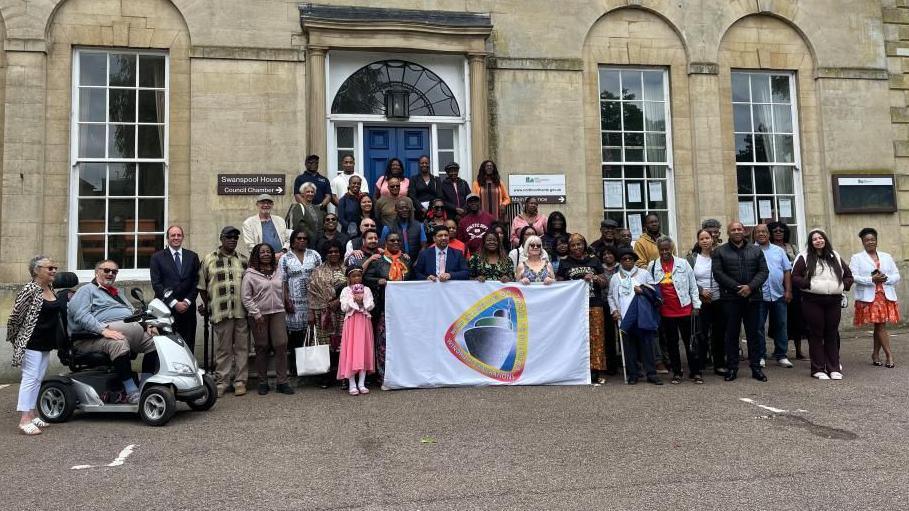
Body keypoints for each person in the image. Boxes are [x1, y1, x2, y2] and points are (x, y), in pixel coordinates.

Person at [68, 260, 158, 404]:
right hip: (91, 338)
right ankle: (131, 391)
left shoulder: (117, 293)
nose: (111, 274)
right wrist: (103, 330)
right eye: (106, 270)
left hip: (118, 333)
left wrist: (146, 324)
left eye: (114, 272)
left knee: (155, 342)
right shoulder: (86, 290)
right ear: (97, 272)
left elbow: (131, 313)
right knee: (118, 343)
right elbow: (81, 316)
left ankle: (146, 387)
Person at [7, 256, 63, 435]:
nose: (54, 270)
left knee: (38, 377)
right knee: (30, 377)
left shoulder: (50, 287)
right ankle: (24, 419)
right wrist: (17, 340)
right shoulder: (29, 289)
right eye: (50, 268)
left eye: (55, 267)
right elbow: (15, 317)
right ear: (37, 270)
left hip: (46, 341)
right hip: (31, 340)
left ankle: (31, 413)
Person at [792, 229, 853, 380]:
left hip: (833, 300)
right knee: (816, 334)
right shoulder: (803, 256)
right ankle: (818, 369)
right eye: (814, 239)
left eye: (821, 238)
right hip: (812, 300)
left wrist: (842, 286)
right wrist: (809, 284)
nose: (818, 241)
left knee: (831, 333)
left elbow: (849, 275)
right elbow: (795, 277)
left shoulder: (835, 255)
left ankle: (833, 368)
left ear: (825, 239)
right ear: (811, 242)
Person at [712, 221, 769, 382]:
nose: (737, 231)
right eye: (733, 230)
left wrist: (750, 287)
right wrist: (738, 288)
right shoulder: (719, 251)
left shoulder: (756, 250)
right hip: (730, 299)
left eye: (739, 229)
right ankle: (732, 368)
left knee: (754, 335)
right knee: (731, 335)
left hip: (753, 298)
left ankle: (756, 368)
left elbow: (764, 271)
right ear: (728, 233)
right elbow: (718, 273)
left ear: (744, 231)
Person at [198, 226, 250, 397]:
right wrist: (210, 306)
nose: (233, 240)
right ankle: (222, 382)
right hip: (220, 312)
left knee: (242, 348)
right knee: (223, 349)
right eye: (229, 237)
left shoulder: (243, 260)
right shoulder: (209, 260)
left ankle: (240, 381)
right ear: (221, 238)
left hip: (240, 311)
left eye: (235, 237)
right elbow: (202, 287)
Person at [647, 236, 702, 384]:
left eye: (667, 249)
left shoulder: (683, 264)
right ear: (658, 250)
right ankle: (677, 372)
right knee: (672, 343)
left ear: (672, 249)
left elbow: (693, 286)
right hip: (666, 312)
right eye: (661, 249)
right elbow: (650, 287)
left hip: (685, 309)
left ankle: (695, 372)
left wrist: (696, 305)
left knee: (690, 342)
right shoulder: (652, 266)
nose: (665, 252)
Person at [242, 244, 293, 395]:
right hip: (259, 314)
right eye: (262, 252)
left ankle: (282, 382)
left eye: (268, 252)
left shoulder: (278, 271)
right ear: (257, 255)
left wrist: (285, 302)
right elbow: (246, 297)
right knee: (262, 346)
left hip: (277, 311)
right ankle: (263, 382)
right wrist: (255, 313)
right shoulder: (250, 274)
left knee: (281, 344)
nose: (265, 254)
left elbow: (283, 288)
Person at [557, 234, 608, 384]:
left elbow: (604, 282)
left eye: (579, 244)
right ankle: (576, 369)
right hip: (573, 308)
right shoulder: (565, 263)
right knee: (575, 337)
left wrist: (595, 278)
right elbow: (559, 284)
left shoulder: (594, 261)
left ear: (584, 245)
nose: (576, 247)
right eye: (573, 245)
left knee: (596, 337)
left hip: (594, 303)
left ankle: (595, 371)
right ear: (569, 247)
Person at [363, 233, 412, 383]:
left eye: (398, 240)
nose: (396, 242)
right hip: (385, 307)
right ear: (386, 243)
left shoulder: (406, 260)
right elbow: (366, 279)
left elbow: (413, 279)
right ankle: (383, 374)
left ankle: (404, 371)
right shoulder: (378, 260)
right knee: (384, 341)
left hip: (404, 308)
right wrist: (379, 280)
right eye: (392, 240)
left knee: (403, 339)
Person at [608, 249, 660, 385]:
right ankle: (633, 374)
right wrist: (614, 310)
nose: (627, 261)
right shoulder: (615, 277)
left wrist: (642, 290)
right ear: (620, 261)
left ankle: (652, 374)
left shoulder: (644, 274)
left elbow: (654, 291)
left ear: (634, 260)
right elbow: (610, 296)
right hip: (625, 317)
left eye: (630, 258)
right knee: (628, 348)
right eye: (624, 259)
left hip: (642, 315)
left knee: (647, 346)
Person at [851, 227, 900, 368]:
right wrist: (871, 279)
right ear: (862, 242)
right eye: (867, 240)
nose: (870, 242)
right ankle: (889, 355)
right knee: (880, 326)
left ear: (877, 241)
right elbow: (853, 276)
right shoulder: (857, 258)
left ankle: (875, 354)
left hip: (885, 296)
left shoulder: (886, 256)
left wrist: (885, 278)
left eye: (872, 239)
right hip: (869, 297)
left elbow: (897, 275)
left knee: (879, 326)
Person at [280, 228, 322, 385]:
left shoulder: (315, 255)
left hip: (313, 302)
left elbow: (320, 277)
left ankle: (313, 371)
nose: (302, 240)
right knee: (296, 338)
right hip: (294, 303)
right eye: (298, 238)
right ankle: (296, 371)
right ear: (292, 241)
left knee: (312, 336)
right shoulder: (285, 258)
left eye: (304, 238)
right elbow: (282, 280)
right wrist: (286, 300)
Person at [149, 225, 200, 353]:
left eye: (179, 235)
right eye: (173, 235)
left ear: (182, 237)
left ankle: (188, 372)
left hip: (188, 309)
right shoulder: (157, 257)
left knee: (188, 345)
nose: (176, 238)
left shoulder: (192, 256)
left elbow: (197, 282)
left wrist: (187, 301)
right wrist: (174, 303)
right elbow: (157, 284)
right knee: (168, 345)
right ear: (167, 238)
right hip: (166, 309)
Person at [753, 223, 793, 368]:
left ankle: (781, 355)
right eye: (758, 232)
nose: (762, 234)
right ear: (754, 235)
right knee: (758, 326)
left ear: (768, 234)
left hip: (778, 294)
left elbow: (787, 270)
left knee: (781, 325)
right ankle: (760, 355)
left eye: (764, 231)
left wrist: (788, 290)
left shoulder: (779, 251)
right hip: (759, 296)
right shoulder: (751, 250)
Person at [687, 228, 725, 377]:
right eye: (702, 238)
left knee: (719, 333)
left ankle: (720, 364)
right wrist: (701, 290)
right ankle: (701, 363)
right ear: (698, 241)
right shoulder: (692, 259)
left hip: (719, 299)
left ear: (712, 239)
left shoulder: (720, 256)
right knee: (700, 333)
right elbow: (688, 280)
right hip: (701, 301)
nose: (705, 241)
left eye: (707, 238)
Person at [308, 241, 348, 382]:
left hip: (343, 313)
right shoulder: (317, 271)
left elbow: (354, 287)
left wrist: (339, 301)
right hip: (323, 313)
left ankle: (343, 375)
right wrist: (311, 312)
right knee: (325, 344)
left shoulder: (346, 269)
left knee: (342, 343)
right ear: (325, 254)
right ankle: (325, 376)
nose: (333, 254)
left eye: (336, 251)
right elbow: (311, 292)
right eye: (330, 252)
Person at [768, 221, 805, 359]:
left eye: (781, 230)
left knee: (796, 317)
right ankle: (779, 349)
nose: (778, 232)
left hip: (793, 286)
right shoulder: (768, 248)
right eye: (775, 230)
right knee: (778, 319)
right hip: (777, 285)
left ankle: (798, 350)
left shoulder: (792, 247)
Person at [337, 266, 375, 395]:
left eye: (359, 275)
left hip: (364, 322)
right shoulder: (345, 290)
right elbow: (344, 307)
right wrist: (354, 299)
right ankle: (352, 383)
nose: (357, 278)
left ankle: (362, 383)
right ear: (349, 278)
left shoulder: (367, 290)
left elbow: (370, 305)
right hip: (352, 322)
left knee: (363, 349)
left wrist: (362, 300)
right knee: (351, 350)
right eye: (354, 276)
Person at [599, 245, 620, 375]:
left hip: (620, 303)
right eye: (604, 254)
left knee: (623, 333)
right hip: (605, 303)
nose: (607, 256)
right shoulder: (599, 268)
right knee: (609, 335)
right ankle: (611, 365)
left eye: (610, 254)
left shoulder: (621, 266)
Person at [409, 155, 442, 220]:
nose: (424, 165)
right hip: (418, 212)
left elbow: (439, 196)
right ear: (419, 164)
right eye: (422, 163)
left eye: (426, 163)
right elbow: (412, 196)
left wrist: (432, 209)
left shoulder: (436, 179)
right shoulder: (414, 179)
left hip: (434, 211)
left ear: (429, 164)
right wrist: (421, 208)